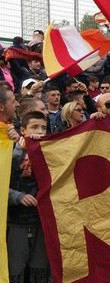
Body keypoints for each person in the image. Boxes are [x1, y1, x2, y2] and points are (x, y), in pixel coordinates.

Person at [7, 111, 50, 283]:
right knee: (15, 269)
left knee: (40, 268)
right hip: (16, 222)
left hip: (42, 222)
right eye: (34, 127)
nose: (39, 132)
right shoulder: (9, 152)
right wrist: (17, 196)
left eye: (44, 128)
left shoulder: (51, 152)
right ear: (23, 130)